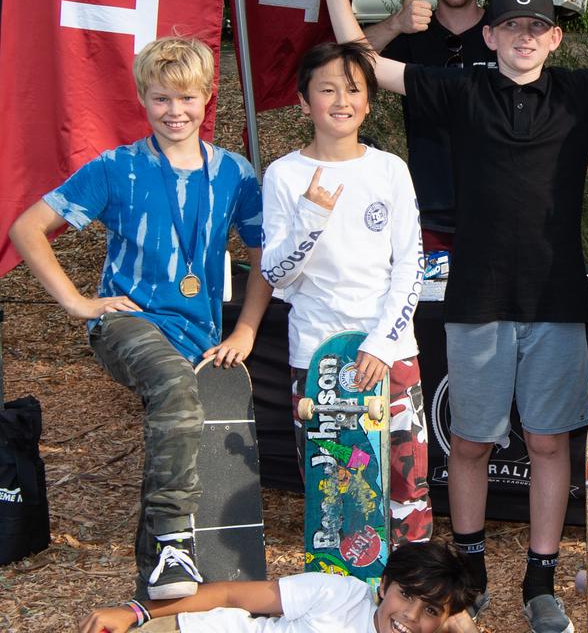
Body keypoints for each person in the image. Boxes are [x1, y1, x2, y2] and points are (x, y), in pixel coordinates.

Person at [319, 0, 588, 630]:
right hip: (477, 296)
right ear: (488, 35)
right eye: (508, 25)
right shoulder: (461, 90)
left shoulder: (579, 93)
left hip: (555, 297)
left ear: (555, 37)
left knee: (549, 441)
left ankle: (540, 580)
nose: (522, 36)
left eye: (535, 26)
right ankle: (476, 563)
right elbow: (366, 66)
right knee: (475, 442)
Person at [7, 36, 272, 600]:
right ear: (142, 100)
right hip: (126, 323)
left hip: (197, 332)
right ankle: (174, 540)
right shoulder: (115, 168)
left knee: (177, 426)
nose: (174, 112)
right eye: (160, 100)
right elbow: (27, 229)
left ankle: (158, 578)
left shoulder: (235, 173)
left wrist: (245, 327)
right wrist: (79, 304)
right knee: (175, 389)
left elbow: (262, 255)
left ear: (207, 99)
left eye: (186, 99)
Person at [260, 41, 432, 547]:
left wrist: (381, 343)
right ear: (303, 101)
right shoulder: (284, 174)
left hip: (391, 352)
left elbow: (410, 264)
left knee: (405, 485)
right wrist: (310, 220)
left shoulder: (389, 169)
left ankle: (412, 596)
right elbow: (277, 275)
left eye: (353, 89)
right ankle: (342, 600)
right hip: (317, 355)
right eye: (328, 89)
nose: (341, 100)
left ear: (369, 101)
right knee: (334, 489)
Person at [361, 0, 498, 252]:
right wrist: (395, 24)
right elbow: (345, 63)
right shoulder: (412, 32)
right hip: (430, 209)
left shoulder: (503, 32)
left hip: (499, 208)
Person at [77, 539, 480, 633]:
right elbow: (229, 594)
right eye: (406, 594)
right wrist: (134, 611)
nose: (408, 615)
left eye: (430, 610)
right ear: (383, 585)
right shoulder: (337, 594)